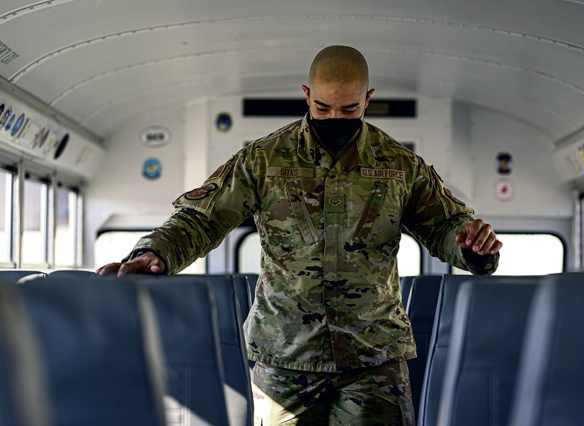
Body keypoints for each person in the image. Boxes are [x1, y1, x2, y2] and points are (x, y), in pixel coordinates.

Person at [97, 45, 501, 426]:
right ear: (307, 95)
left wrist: (474, 248)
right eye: (322, 107)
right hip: (285, 358)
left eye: (349, 108)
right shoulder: (263, 160)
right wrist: (156, 253)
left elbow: (447, 228)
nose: (334, 118)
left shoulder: (400, 166)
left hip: (374, 359)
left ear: (368, 99)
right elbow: (201, 220)